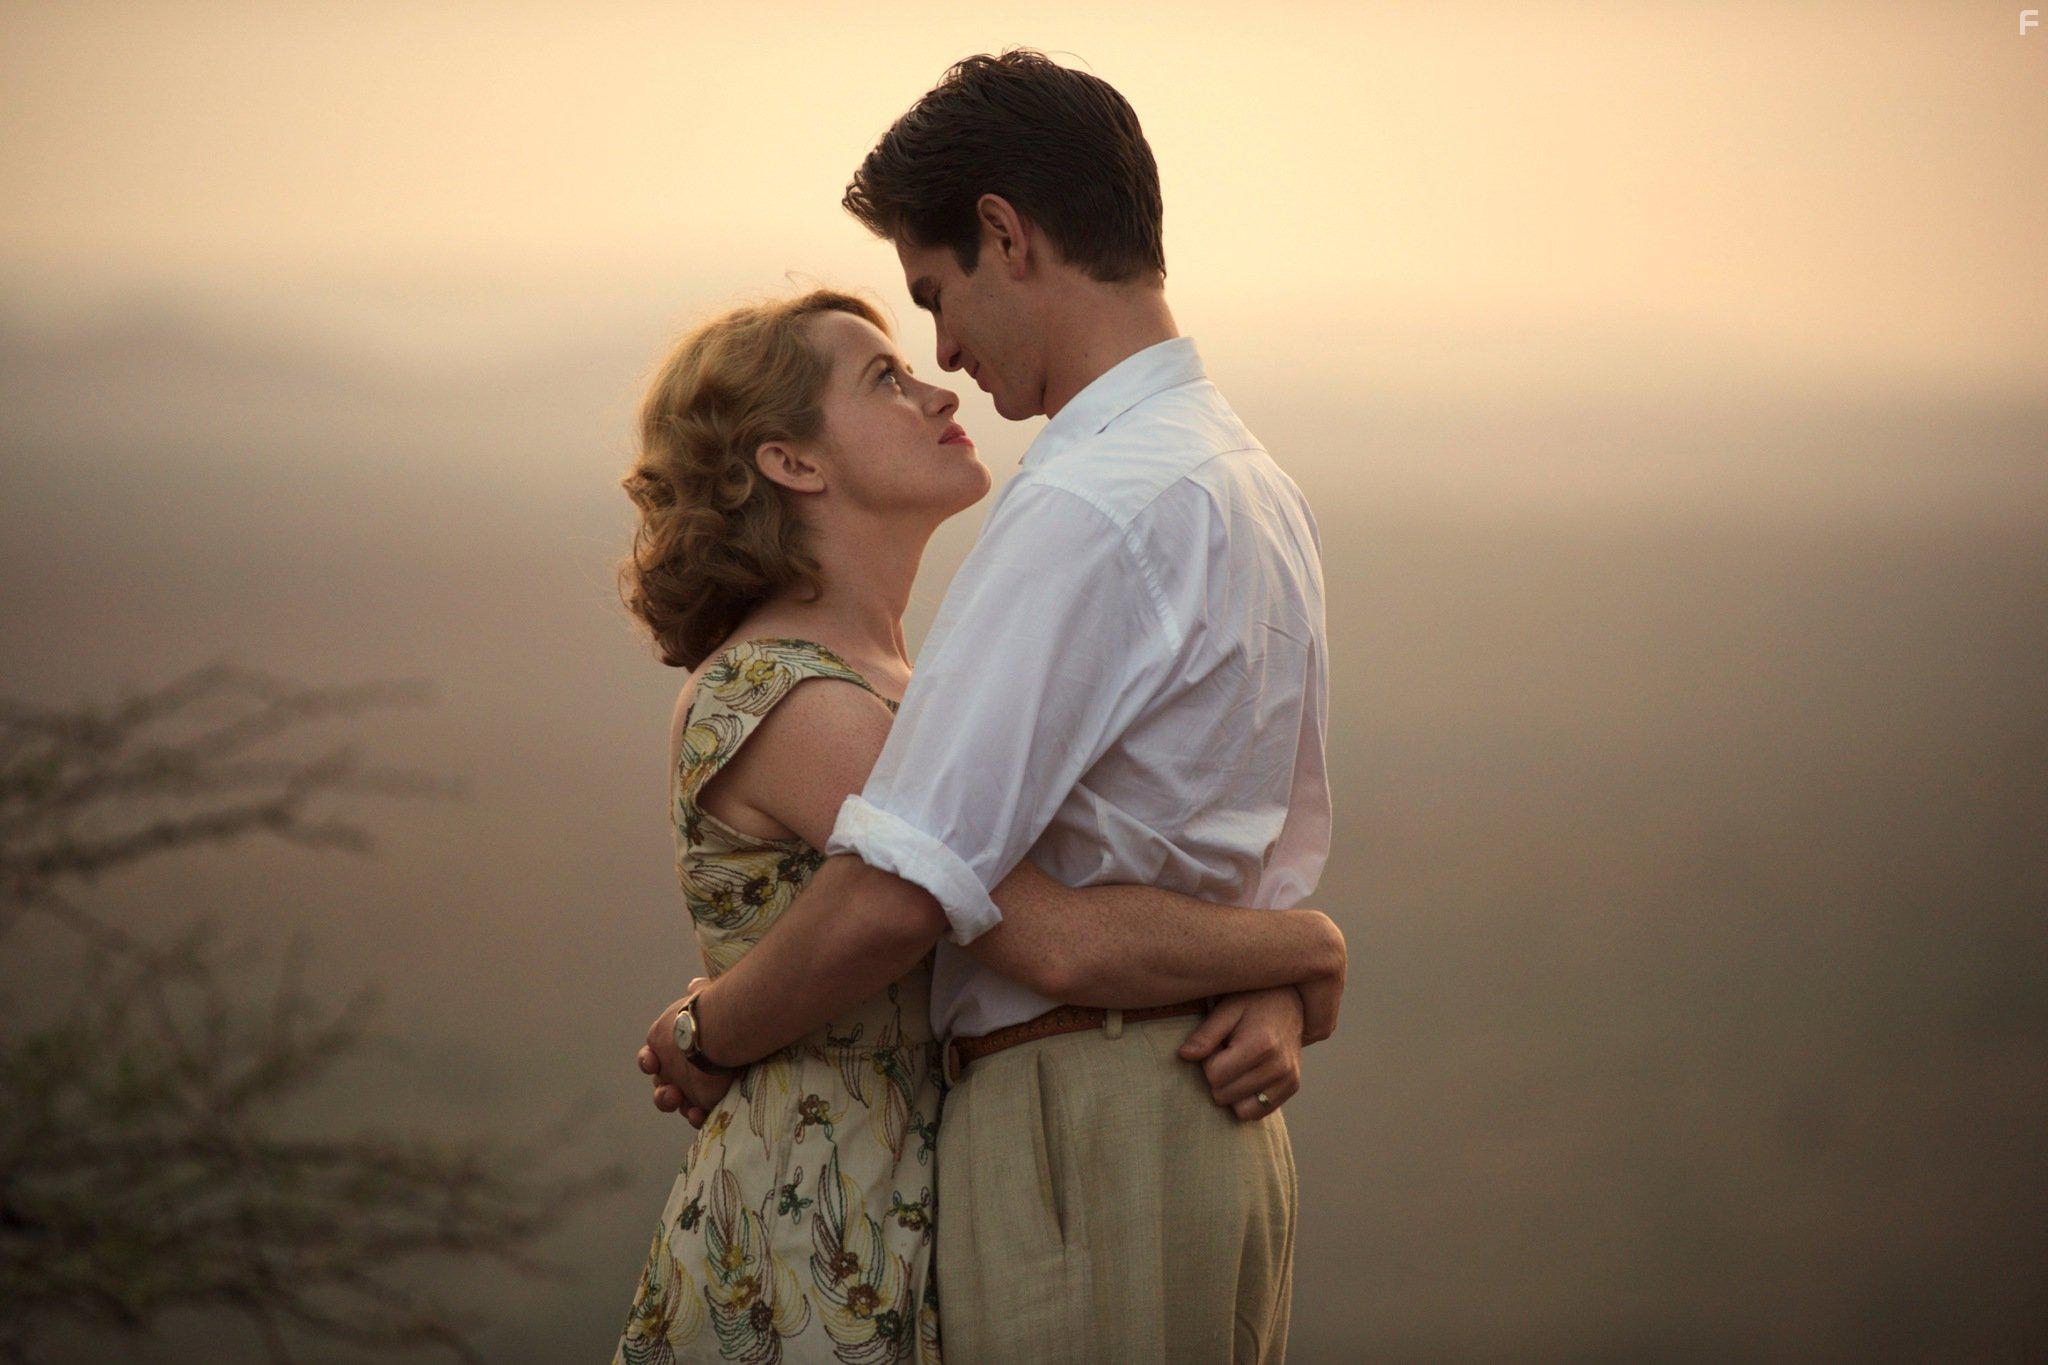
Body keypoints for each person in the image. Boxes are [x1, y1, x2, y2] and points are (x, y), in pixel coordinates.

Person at [638, 49, 1338, 1364]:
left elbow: (934, 893)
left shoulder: (1083, 501)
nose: (945, 357)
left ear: (1005, 236)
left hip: (1093, 1123)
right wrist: (1293, 956)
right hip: (1192, 1113)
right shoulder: (1251, 484)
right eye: (897, 355)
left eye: (935, 297)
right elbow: (1238, 851)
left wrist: (705, 1032)